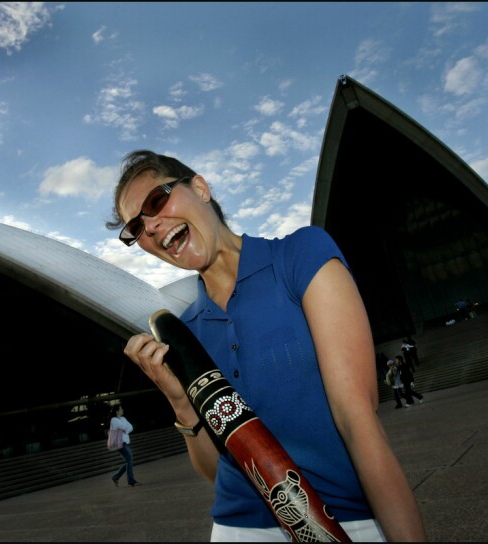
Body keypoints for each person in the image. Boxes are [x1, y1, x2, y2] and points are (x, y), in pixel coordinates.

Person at [109, 150, 426, 542]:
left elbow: (356, 420)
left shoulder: (299, 257)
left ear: (201, 188)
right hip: (236, 529)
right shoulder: (185, 331)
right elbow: (216, 469)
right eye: (136, 228)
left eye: (157, 201)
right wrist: (181, 403)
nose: (151, 226)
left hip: (341, 521)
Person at [109, 405, 140, 487]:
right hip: (120, 443)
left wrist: (125, 430)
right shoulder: (113, 420)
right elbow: (124, 427)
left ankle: (116, 477)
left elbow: (131, 427)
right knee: (129, 460)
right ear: (117, 411)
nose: (122, 410)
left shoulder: (123, 419)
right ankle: (131, 481)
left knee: (129, 461)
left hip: (126, 442)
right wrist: (125, 429)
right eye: (120, 409)